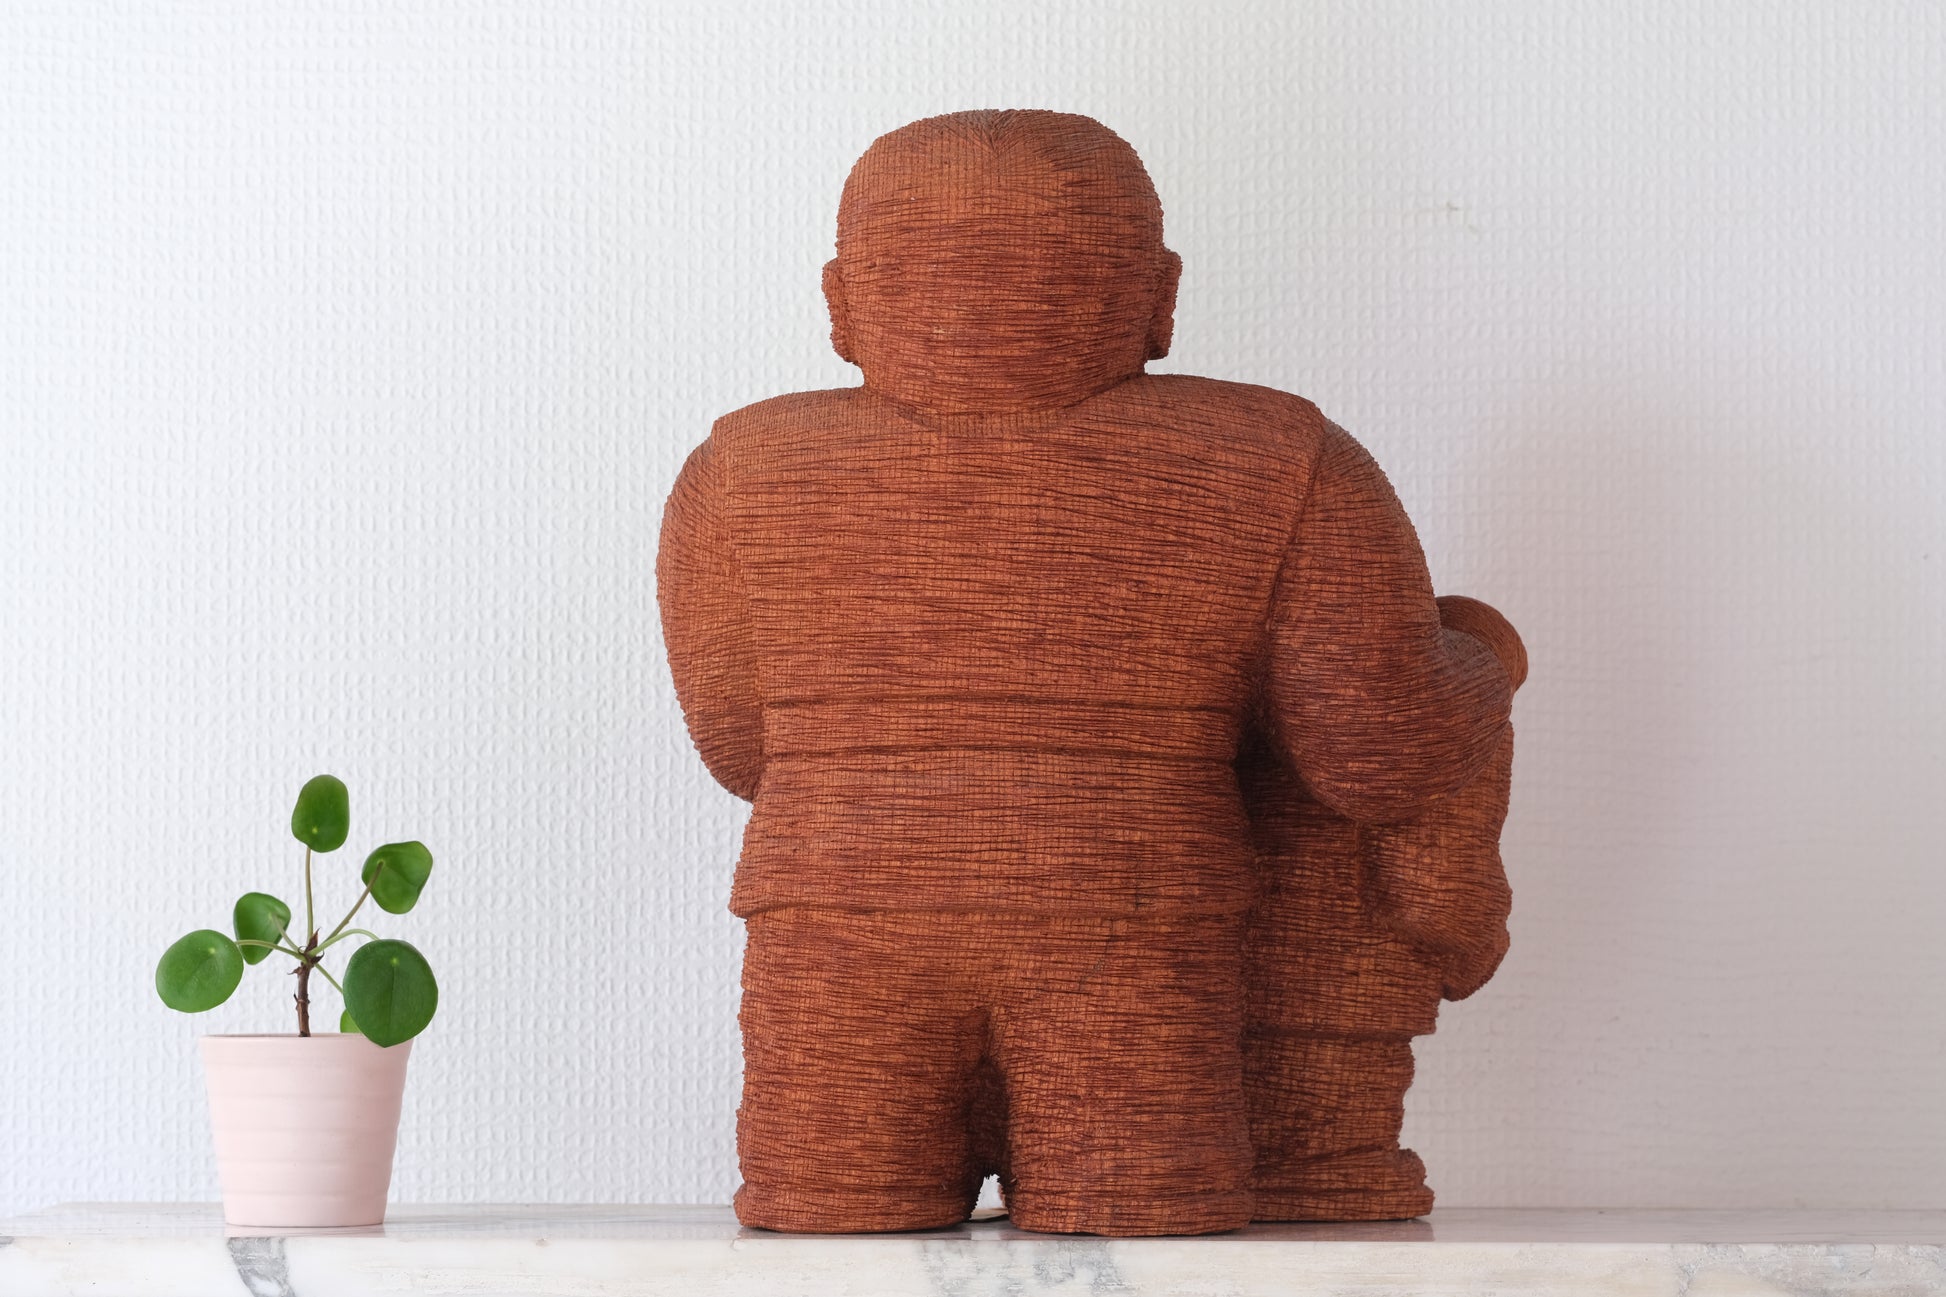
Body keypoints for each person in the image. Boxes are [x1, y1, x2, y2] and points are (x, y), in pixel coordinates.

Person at [657, 109, 1521, 1235]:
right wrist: (1486, 652)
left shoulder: (737, 469)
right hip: (1130, 913)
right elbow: (1378, 751)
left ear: (840, 303)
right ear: (1160, 296)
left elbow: (741, 749)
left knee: (834, 1215)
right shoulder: (1277, 456)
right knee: (1137, 1221)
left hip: (831, 913)